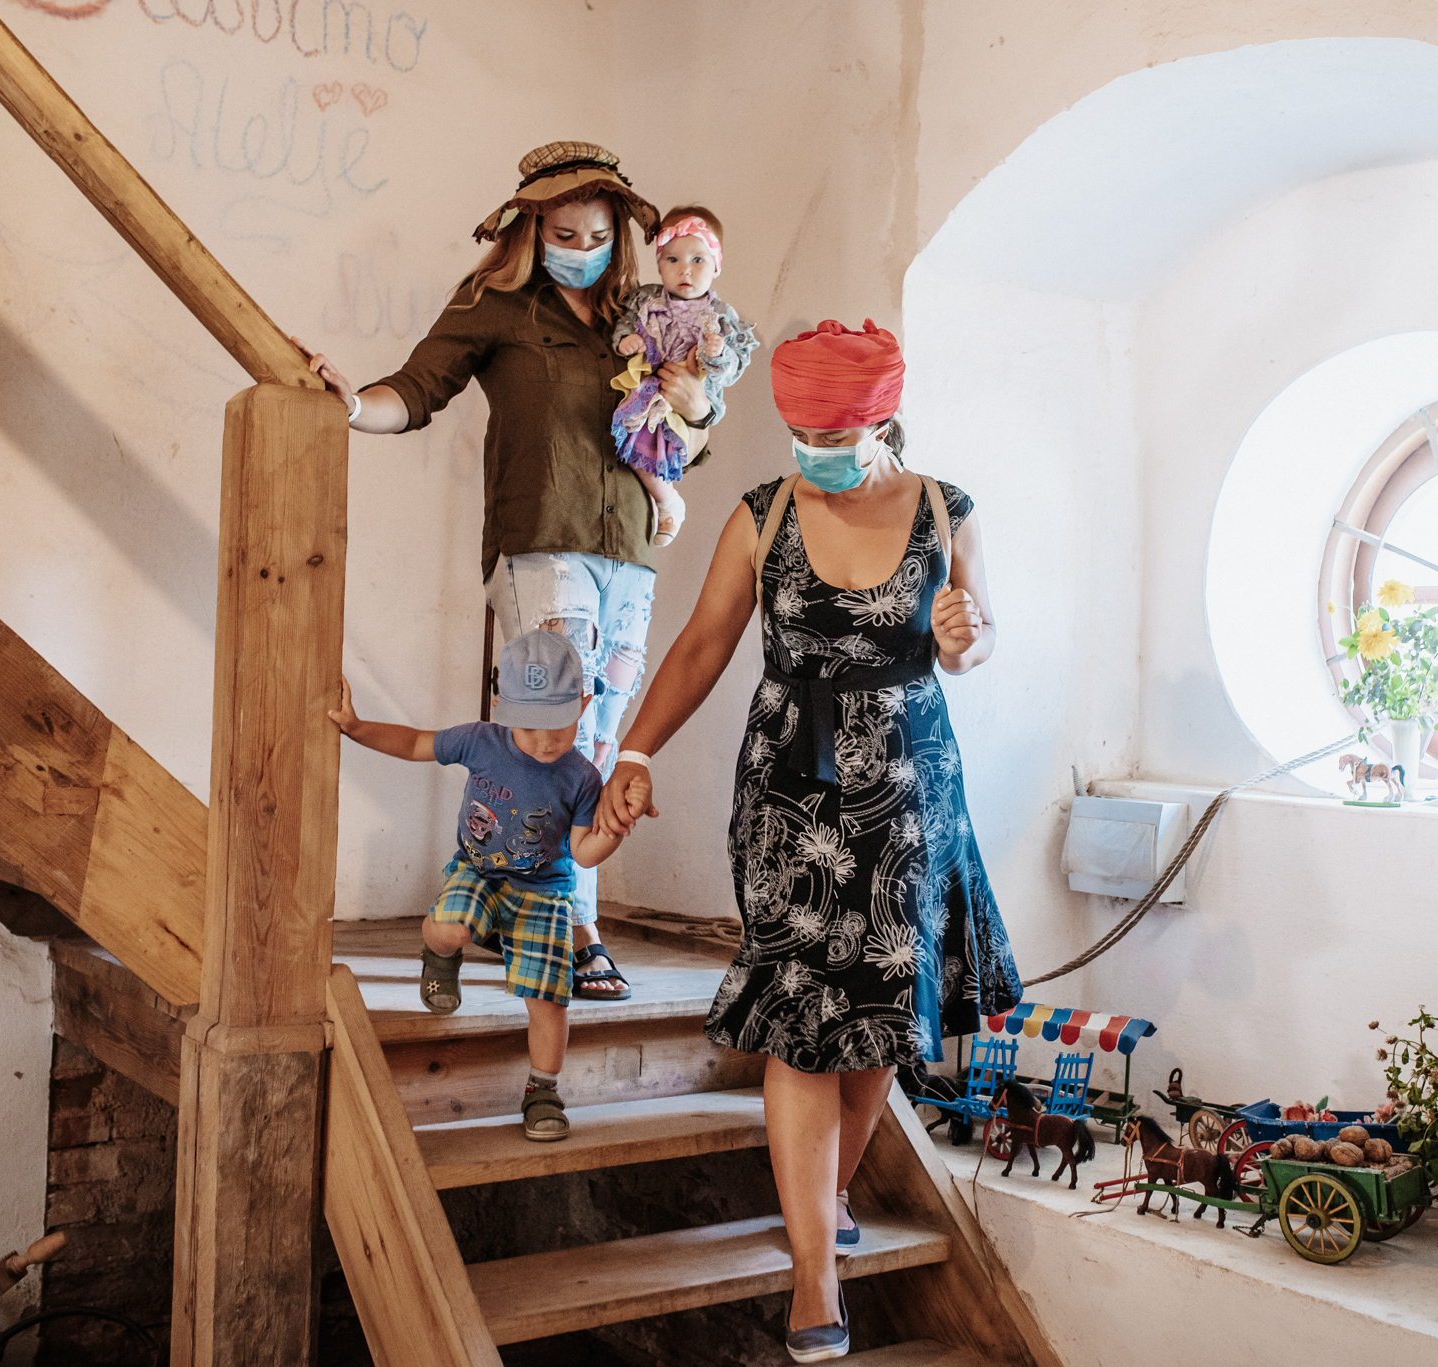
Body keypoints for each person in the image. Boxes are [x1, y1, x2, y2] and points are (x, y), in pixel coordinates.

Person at [597, 319, 1021, 1361]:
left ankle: (824, 1196)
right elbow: (702, 645)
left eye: (835, 434)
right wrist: (635, 751)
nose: (816, 451)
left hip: (910, 794)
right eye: (803, 432)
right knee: (798, 1020)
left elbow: (973, 637)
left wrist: (967, 639)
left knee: (883, 1018)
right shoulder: (764, 513)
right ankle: (813, 1269)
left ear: (882, 418)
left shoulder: (945, 510)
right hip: (788, 792)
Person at [297, 141, 709, 1002]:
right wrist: (352, 403)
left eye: (600, 234)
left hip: (630, 553)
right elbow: (416, 388)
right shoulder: (495, 305)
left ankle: (526, 902)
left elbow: (681, 442)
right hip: (539, 543)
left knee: (597, 743)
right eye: (565, 233)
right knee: (560, 726)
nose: (584, 248)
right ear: (531, 228)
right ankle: (576, 928)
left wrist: (696, 407)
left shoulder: (640, 319)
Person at [328, 630, 639, 1142]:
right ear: (502, 709)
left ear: (584, 706)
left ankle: (543, 1090)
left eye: (558, 725)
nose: (544, 741)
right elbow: (415, 743)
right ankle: (439, 955)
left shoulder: (582, 777)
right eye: (529, 726)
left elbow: (583, 853)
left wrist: (615, 830)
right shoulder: (480, 741)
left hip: (544, 892)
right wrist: (357, 728)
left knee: (549, 999)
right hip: (478, 871)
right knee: (450, 929)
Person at [608, 205, 757, 545]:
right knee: (630, 438)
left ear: (716, 265)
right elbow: (625, 324)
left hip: (692, 396)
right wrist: (626, 340)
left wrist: (717, 354)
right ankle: (665, 501)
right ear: (659, 263)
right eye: (672, 259)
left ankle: (668, 503)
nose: (684, 270)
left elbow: (731, 370)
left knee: (656, 444)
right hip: (648, 385)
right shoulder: (646, 299)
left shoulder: (719, 315)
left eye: (698, 260)